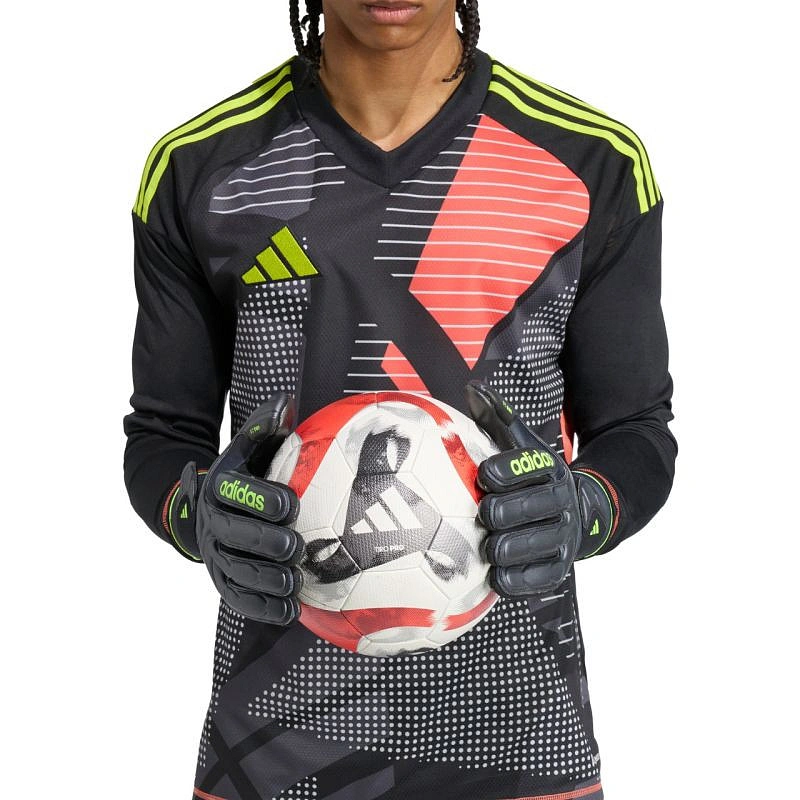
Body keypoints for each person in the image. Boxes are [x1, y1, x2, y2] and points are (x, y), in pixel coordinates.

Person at [123, 1, 677, 798]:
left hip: (522, 739)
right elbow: (163, 432)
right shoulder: (200, 166)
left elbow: (636, 429)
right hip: (275, 750)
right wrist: (195, 514)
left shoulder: (591, 159)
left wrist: (585, 508)